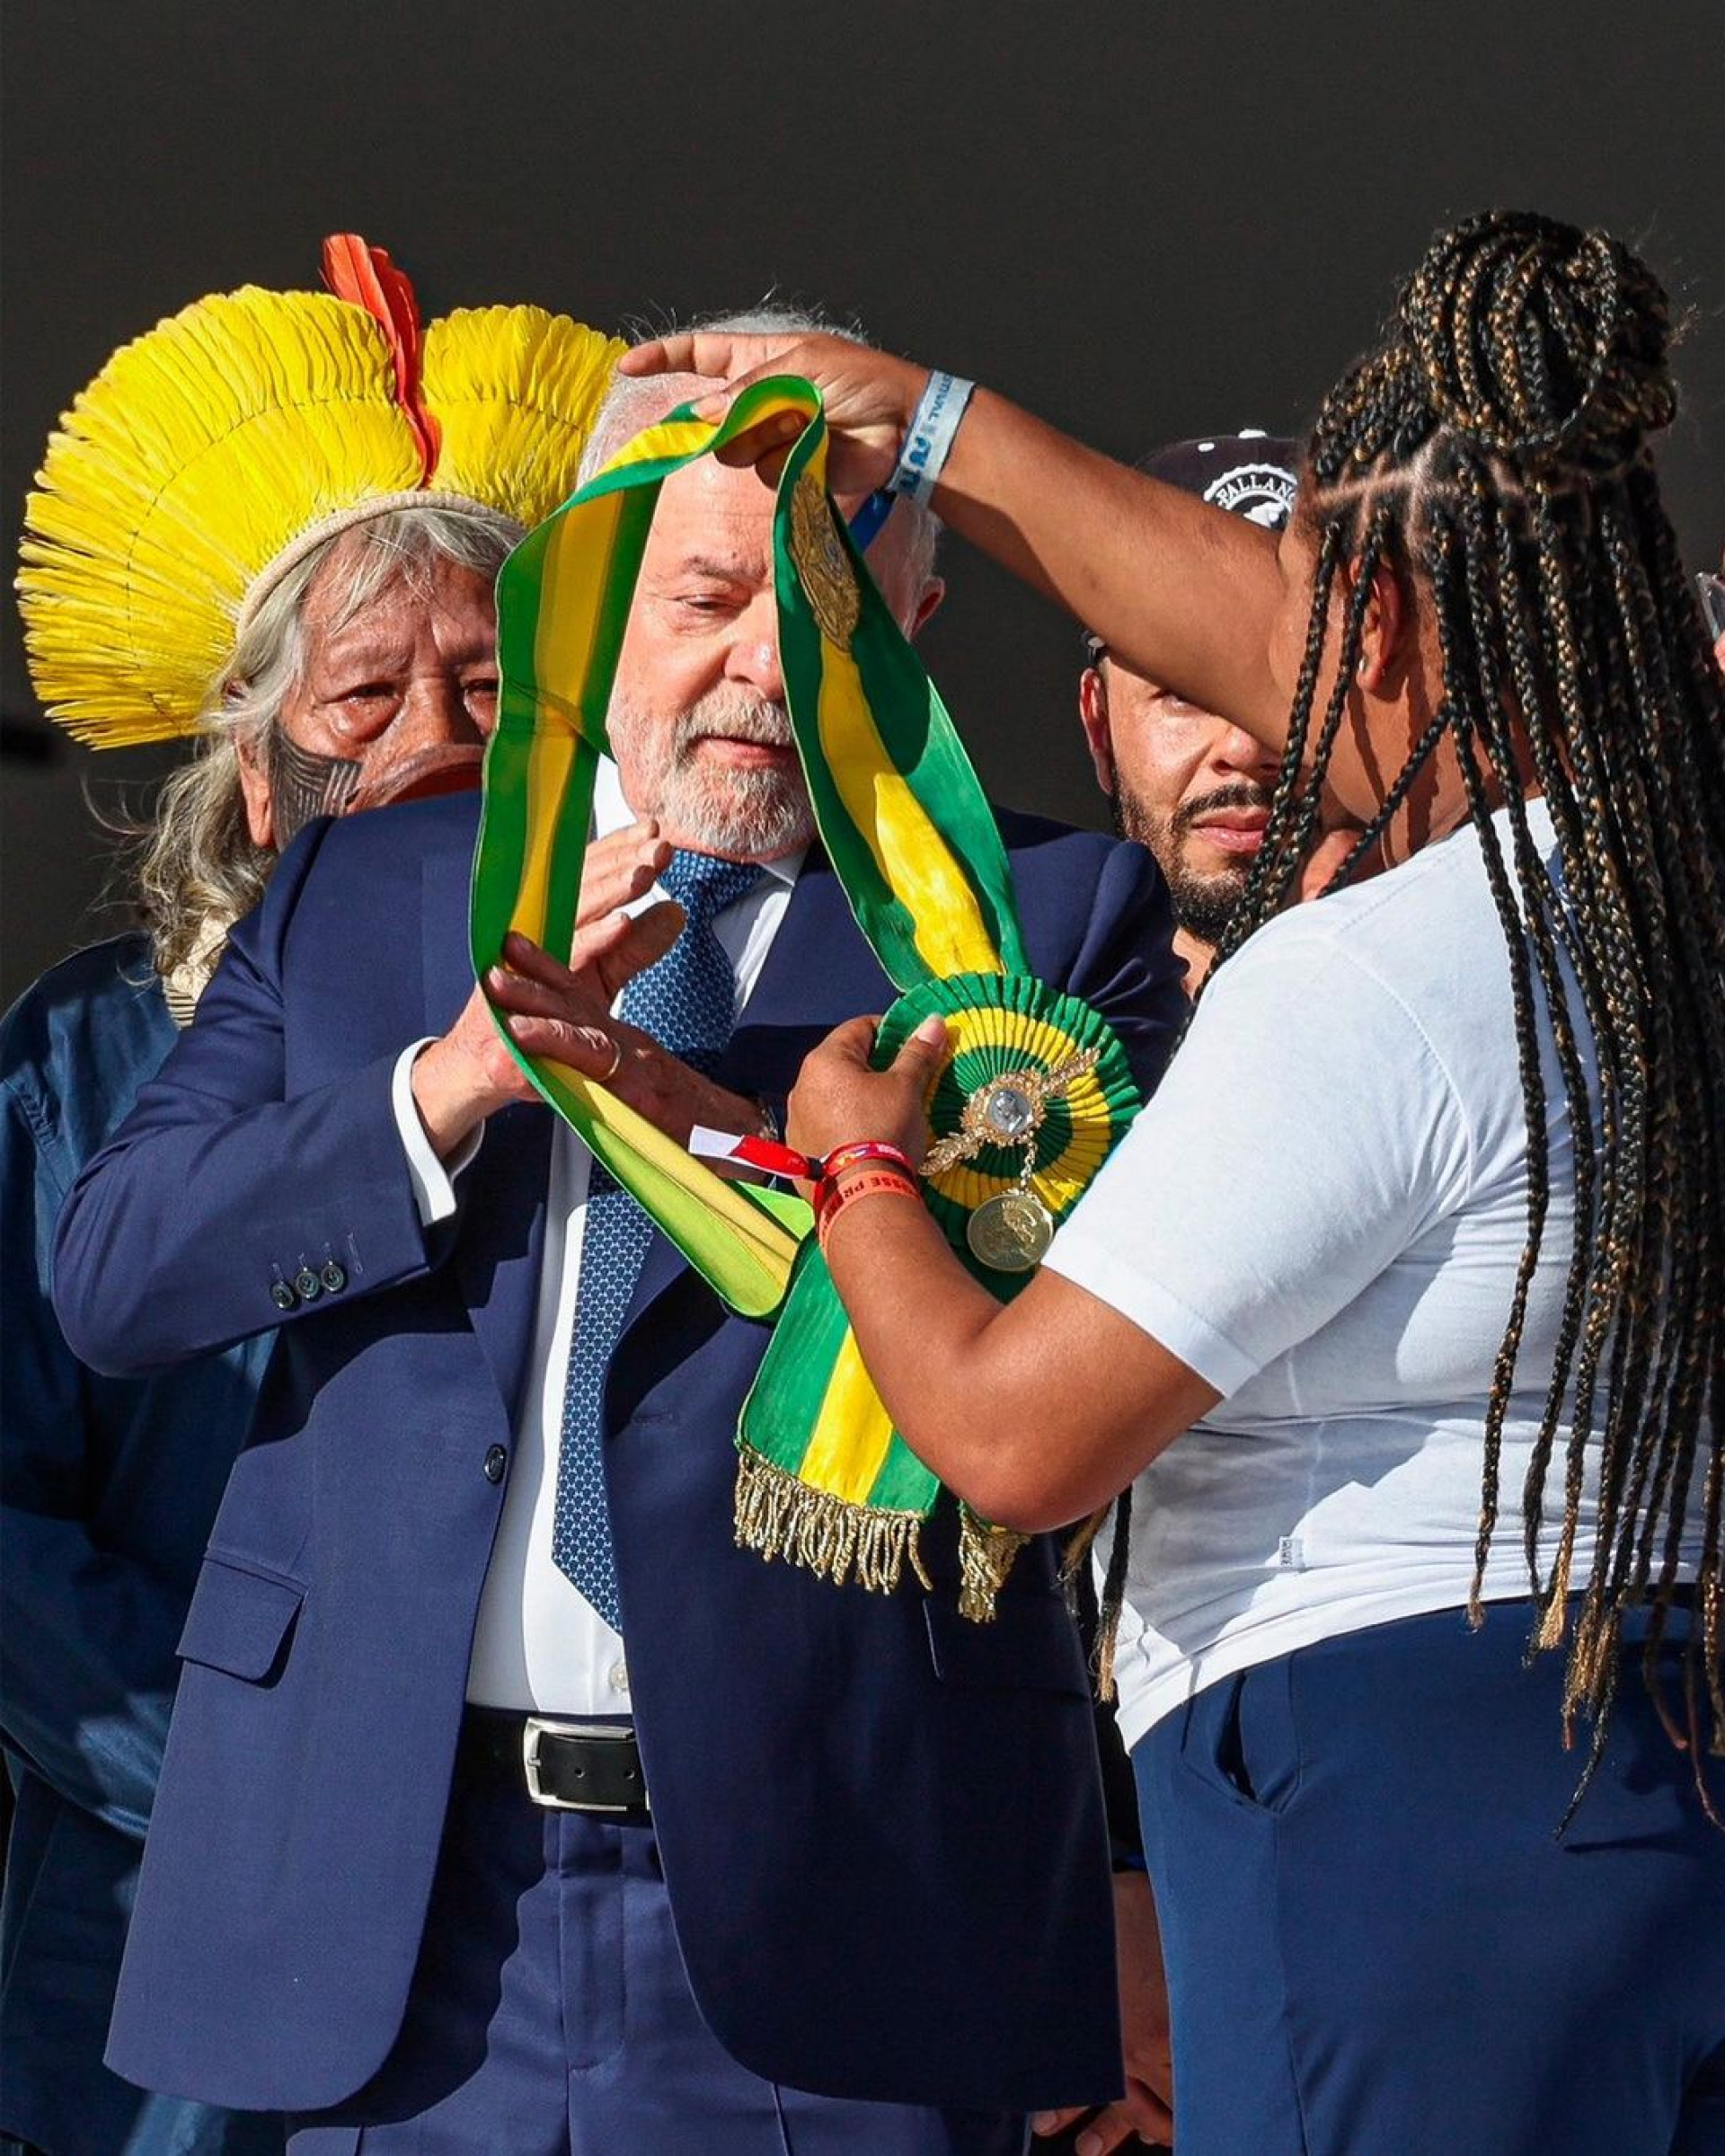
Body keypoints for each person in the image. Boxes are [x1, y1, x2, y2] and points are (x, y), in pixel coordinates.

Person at [629, 210, 1725, 2154]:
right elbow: (1248, 615)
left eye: (1297, 594)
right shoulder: (1661, 910)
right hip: (1646, 1768)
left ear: (1375, 622)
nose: (1241, 660)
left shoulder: (1385, 967)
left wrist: (863, 1164)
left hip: (1386, 1815)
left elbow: (1014, 1436)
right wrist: (931, 420)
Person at [50, 310, 1188, 2152]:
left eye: (824, 611)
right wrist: (456, 1078)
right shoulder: (367, 886)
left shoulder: (1043, 926)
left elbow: (1070, 1360)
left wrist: (750, 1143)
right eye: (707, 602)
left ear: (908, 623)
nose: (761, 670)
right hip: (403, 1919)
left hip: (840, 1910)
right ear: (582, 605)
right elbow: (115, 1275)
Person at [1, 240, 622, 2156]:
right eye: (369, 690)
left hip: (539, 1950)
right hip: (167, 1937)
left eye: (488, 683)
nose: (435, 730)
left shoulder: (636, 1052)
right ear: (259, 778)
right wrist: (262, 1771)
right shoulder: (92, 1069)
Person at [1077, 433, 1359, 991]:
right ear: (1100, 726)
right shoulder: (994, 1034)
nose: (1244, 748)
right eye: (1187, 689)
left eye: (1298, 688)